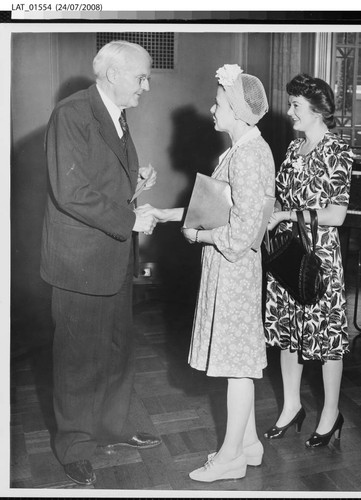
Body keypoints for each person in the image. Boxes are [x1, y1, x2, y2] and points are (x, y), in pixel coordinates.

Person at [137, 64, 275, 482]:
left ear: (236, 109)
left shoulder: (250, 156)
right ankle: (249, 443)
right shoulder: (238, 150)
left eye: (218, 104)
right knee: (237, 362)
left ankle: (231, 456)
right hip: (228, 269)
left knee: (238, 367)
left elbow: (243, 230)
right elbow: (214, 209)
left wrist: (199, 239)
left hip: (235, 268)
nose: (212, 111)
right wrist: (166, 214)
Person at [40, 40, 162, 486]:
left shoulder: (115, 112)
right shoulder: (72, 113)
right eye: (141, 77)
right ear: (113, 75)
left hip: (110, 256)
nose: (146, 86)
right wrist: (132, 218)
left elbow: (98, 177)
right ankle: (73, 445)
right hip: (79, 261)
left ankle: (112, 427)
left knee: (115, 348)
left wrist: (136, 180)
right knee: (77, 357)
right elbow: (70, 192)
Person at [263, 73, 354, 448]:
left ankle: (330, 413)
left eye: (296, 105)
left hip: (319, 257)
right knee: (288, 335)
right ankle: (291, 407)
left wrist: (287, 215)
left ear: (318, 111)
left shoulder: (338, 150)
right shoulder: (292, 149)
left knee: (326, 338)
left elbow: (337, 215)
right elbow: (281, 199)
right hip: (288, 255)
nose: (290, 111)